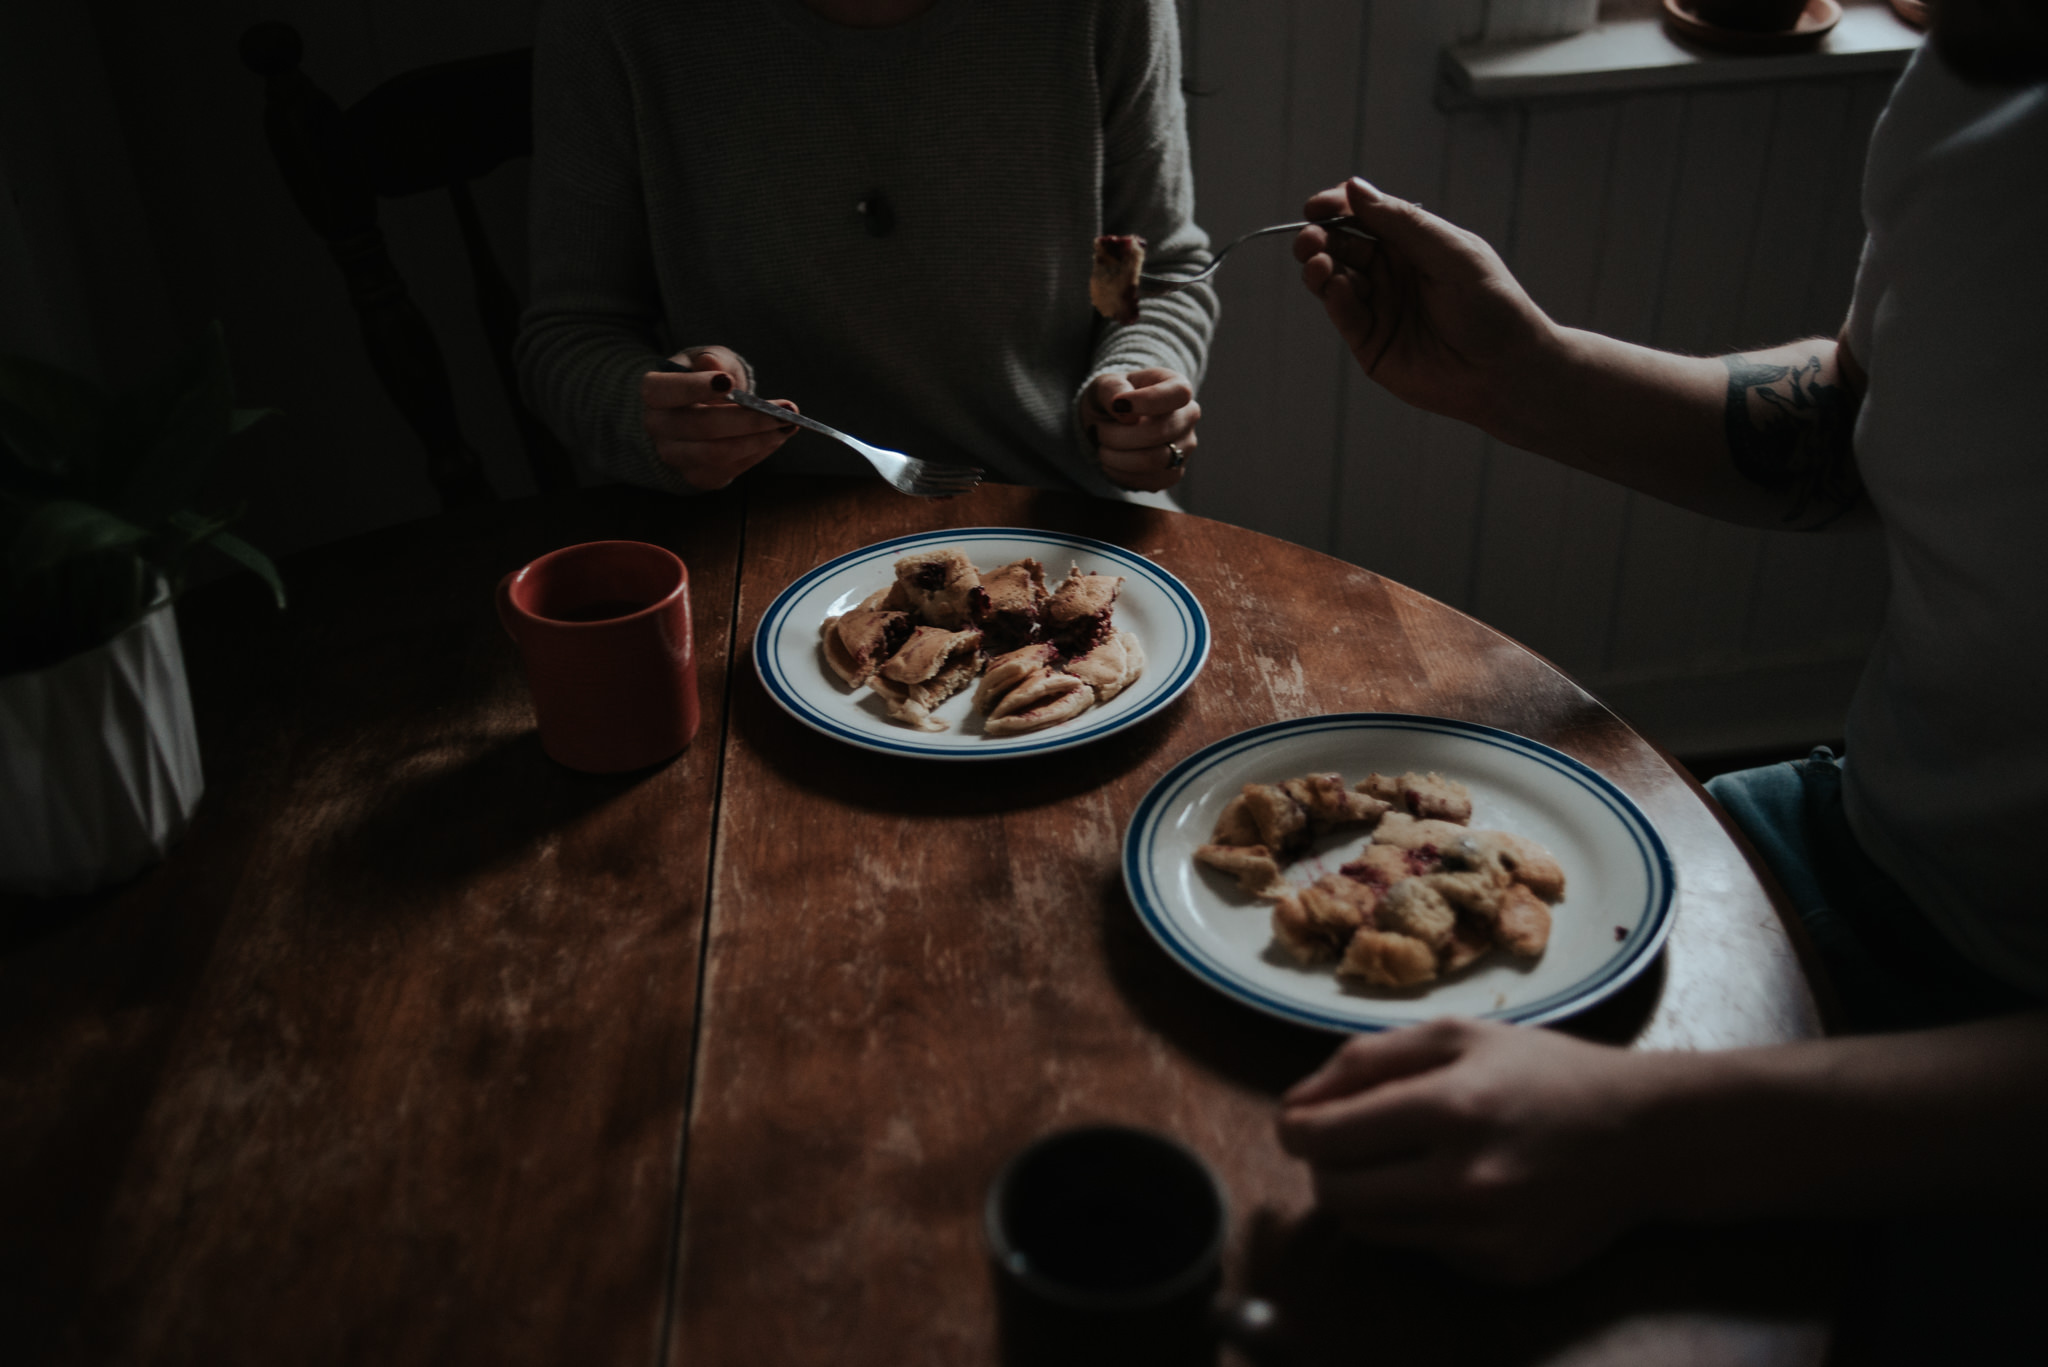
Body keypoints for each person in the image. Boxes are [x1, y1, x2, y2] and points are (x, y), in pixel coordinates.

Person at [1270, 0, 2048, 1309]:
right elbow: (1862, 416)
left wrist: (1655, 1132)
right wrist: (1524, 372)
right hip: (1857, 836)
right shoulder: (1975, 76)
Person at [514, 0, 1217, 503]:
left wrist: (1131, 391)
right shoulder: (616, 20)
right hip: (744, 533)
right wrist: (652, 414)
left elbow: (1143, 274)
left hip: (1054, 501)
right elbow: (575, 328)